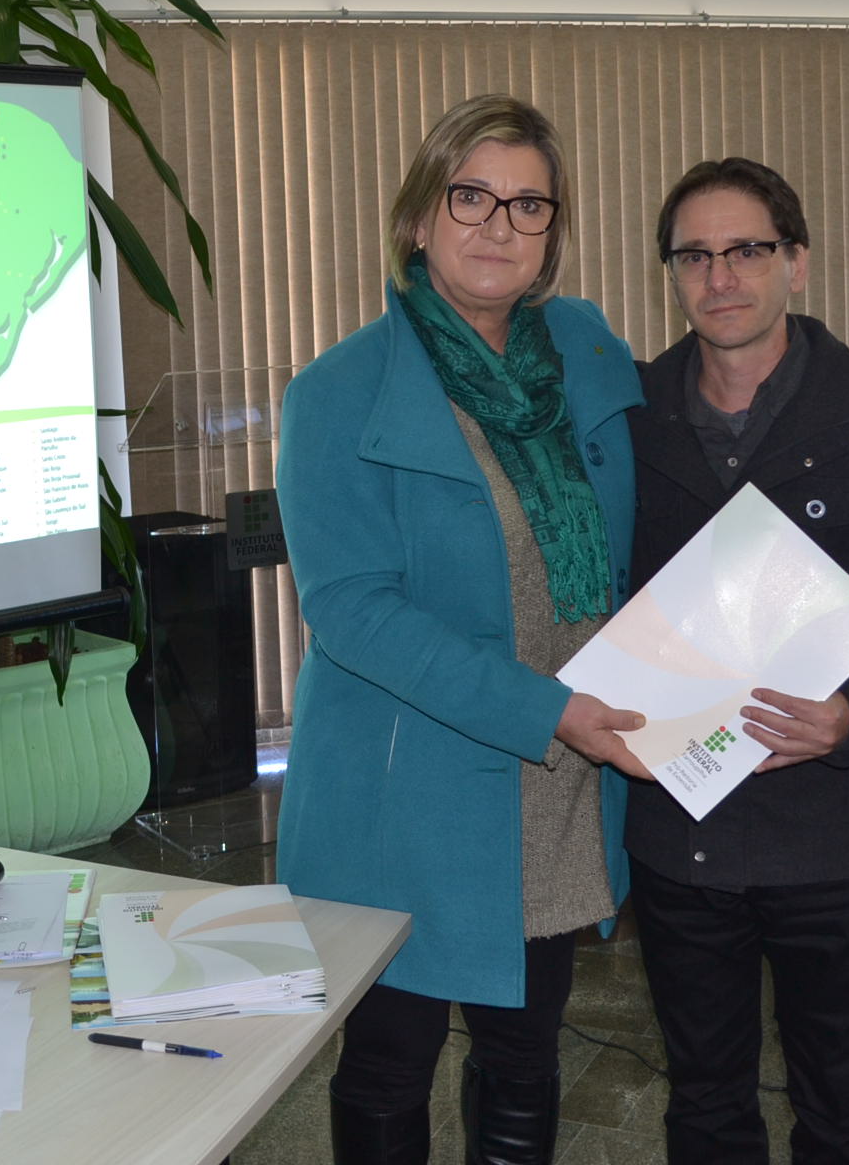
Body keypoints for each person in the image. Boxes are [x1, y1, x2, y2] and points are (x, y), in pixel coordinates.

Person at [276, 95, 648, 1165]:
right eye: (471, 196)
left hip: (559, 780)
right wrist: (549, 710)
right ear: (418, 218)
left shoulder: (585, 350)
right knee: (390, 1064)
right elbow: (353, 610)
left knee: (526, 1057)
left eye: (528, 204)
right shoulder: (339, 390)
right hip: (409, 790)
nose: (498, 224)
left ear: (552, 232)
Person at [622, 157, 849, 1165]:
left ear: (798, 263)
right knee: (704, 1106)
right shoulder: (630, 416)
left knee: (843, 1110)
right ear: (671, 273)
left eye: (747, 250)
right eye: (695, 256)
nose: (721, 277)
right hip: (682, 835)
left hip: (841, 837)